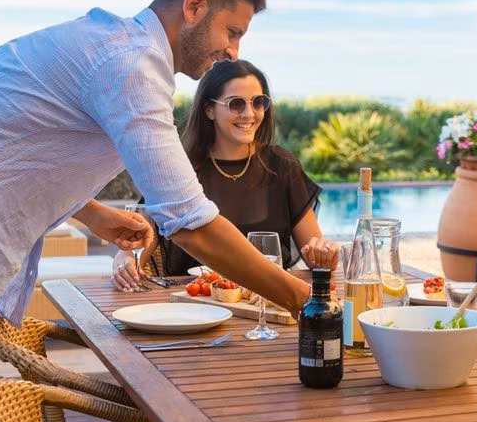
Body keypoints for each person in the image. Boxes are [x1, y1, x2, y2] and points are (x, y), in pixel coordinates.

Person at [0, 0, 312, 422]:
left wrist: (94, 214)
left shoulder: (113, 49)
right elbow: (190, 224)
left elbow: (18, 147)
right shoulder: (130, 66)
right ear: (194, 6)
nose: (233, 51)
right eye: (233, 31)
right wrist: (301, 297)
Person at [112, 59, 338, 291]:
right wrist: (126, 257)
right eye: (236, 104)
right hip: (193, 306)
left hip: (266, 304)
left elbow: (314, 255)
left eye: (258, 102)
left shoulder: (283, 166)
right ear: (209, 110)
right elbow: (140, 238)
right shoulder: (178, 167)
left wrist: (324, 255)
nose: (249, 114)